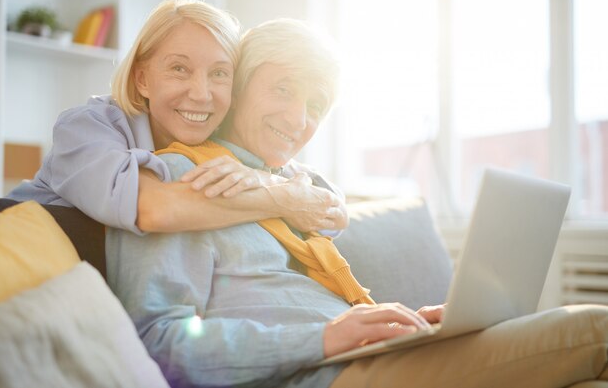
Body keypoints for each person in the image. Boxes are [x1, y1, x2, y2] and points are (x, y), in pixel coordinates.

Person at [107, 19, 608, 388]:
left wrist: (407, 325)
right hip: (320, 377)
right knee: (593, 328)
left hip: (367, 360)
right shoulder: (181, 180)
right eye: (282, 89)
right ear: (235, 89)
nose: (299, 118)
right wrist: (326, 338)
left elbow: (324, 222)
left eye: (316, 105)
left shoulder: (299, 194)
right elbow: (160, 342)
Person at [6, 0, 347, 236]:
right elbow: (155, 209)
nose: (201, 93)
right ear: (142, 79)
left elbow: (330, 210)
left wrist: (269, 180)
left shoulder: (214, 143)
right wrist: (285, 199)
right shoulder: (86, 126)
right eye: (179, 68)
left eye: (218, 73)